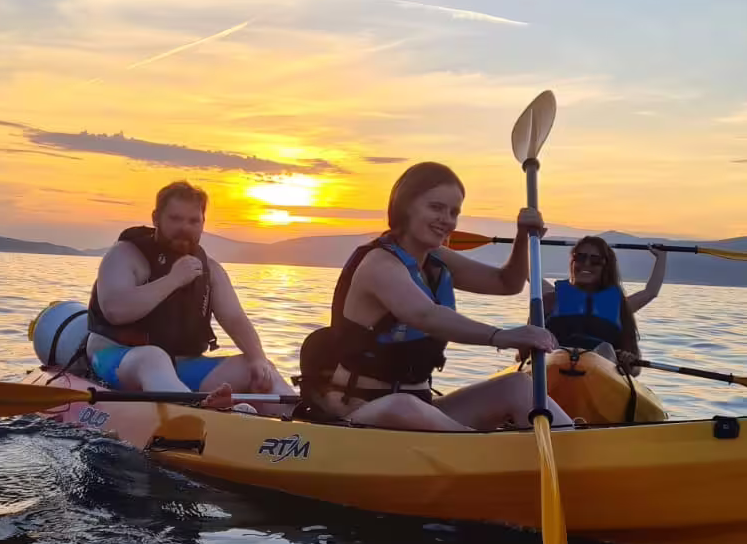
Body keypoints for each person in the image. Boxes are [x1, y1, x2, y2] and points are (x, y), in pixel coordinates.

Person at [297, 161, 573, 432]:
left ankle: (572, 449)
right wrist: (502, 335)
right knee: (402, 406)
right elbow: (425, 315)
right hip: (361, 412)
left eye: (454, 212)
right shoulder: (378, 264)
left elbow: (507, 283)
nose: (447, 220)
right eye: (436, 207)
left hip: (423, 404)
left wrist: (524, 237)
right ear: (405, 206)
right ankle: (478, 451)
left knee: (517, 386)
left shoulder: (436, 260)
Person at [86, 180, 295, 408]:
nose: (184, 228)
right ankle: (196, 414)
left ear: (203, 223)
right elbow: (115, 311)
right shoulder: (125, 255)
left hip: (183, 367)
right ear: (156, 219)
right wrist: (172, 280)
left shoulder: (210, 270)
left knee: (258, 369)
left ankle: (302, 425)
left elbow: (235, 318)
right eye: (175, 219)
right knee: (153, 357)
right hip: (118, 357)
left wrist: (257, 358)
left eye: (193, 221)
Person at [544, 236, 667, 364]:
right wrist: (527, 241)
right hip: (556, 362)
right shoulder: (552, 298)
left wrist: (661, 258)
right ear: (573, 261)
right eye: (580, 257)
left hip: (600, 367)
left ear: (606, 267)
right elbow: (530, 274)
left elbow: (650, 292)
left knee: (607, 349)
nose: (586, 264)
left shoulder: (619, 305)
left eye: (595, 260)